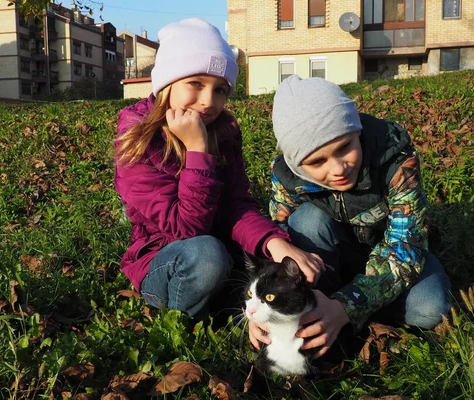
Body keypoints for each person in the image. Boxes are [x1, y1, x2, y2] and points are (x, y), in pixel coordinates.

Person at [114, 19, 323, 318]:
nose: (208, 102)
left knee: (270, 249)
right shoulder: (138, 138)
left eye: (221, 90)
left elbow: (236, 206)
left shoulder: (223, 132)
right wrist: (198, 152)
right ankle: (185, 321)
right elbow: (186, 230)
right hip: (165, 257)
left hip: (220, 248)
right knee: (207, 255)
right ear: (167, 83)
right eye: (195, 84)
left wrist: (274, 242)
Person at [248, 75, 451, 358]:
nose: (338, 168)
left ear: (356, 130)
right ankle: (326, 306)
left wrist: (348, 303)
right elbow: (279, 238)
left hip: (391, 253)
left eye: (344, 147)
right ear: (297, 166)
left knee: (431, 309)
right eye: (317, 162)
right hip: (333, 254)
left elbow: (406, 247)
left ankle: (342, 310)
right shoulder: (286, 175)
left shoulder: (393, 158)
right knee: (307, 222)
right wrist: (261, 311)